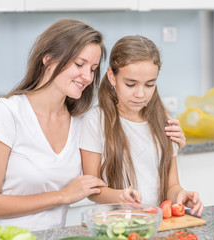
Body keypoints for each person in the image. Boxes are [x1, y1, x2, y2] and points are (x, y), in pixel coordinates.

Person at [0, 18, 108, 240]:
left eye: (93, 69)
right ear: (48, 59)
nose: (87, 77)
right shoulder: (8, 112)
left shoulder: (81, 122)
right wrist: (62, 196)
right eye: (79, 65)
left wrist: (163, 130)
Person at [80, 35, 204, 217]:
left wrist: (181, 194)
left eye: (149, 84)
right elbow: (92, 189)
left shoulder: (164, 120)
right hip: (114, 226)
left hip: (156, 224)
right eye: (130, 84)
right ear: (112, 77)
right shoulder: (95, 120)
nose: (140, 94)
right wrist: (120, 196)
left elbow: (172, 186)